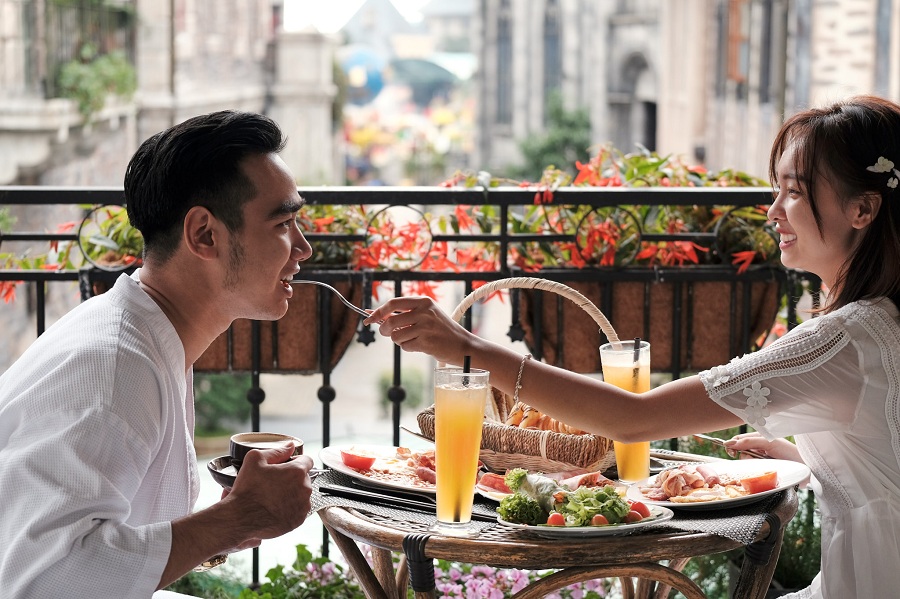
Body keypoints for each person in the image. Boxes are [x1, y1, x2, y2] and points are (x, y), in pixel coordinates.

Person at [365, 95, 900, 598]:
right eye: (776, 189)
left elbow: (632, 418)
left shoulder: (846, 339)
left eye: (795, 192)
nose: (772, 211)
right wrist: (806, 455)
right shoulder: (884, 321)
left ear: (863, 209)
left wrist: (467, 347)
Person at [0, 111, 316, 597]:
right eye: (283, 223)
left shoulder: (143, 336)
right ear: (204, 234)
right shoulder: (115, 371)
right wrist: (238, 517)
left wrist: (228, 525)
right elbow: (44, 582)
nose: (304, 248)